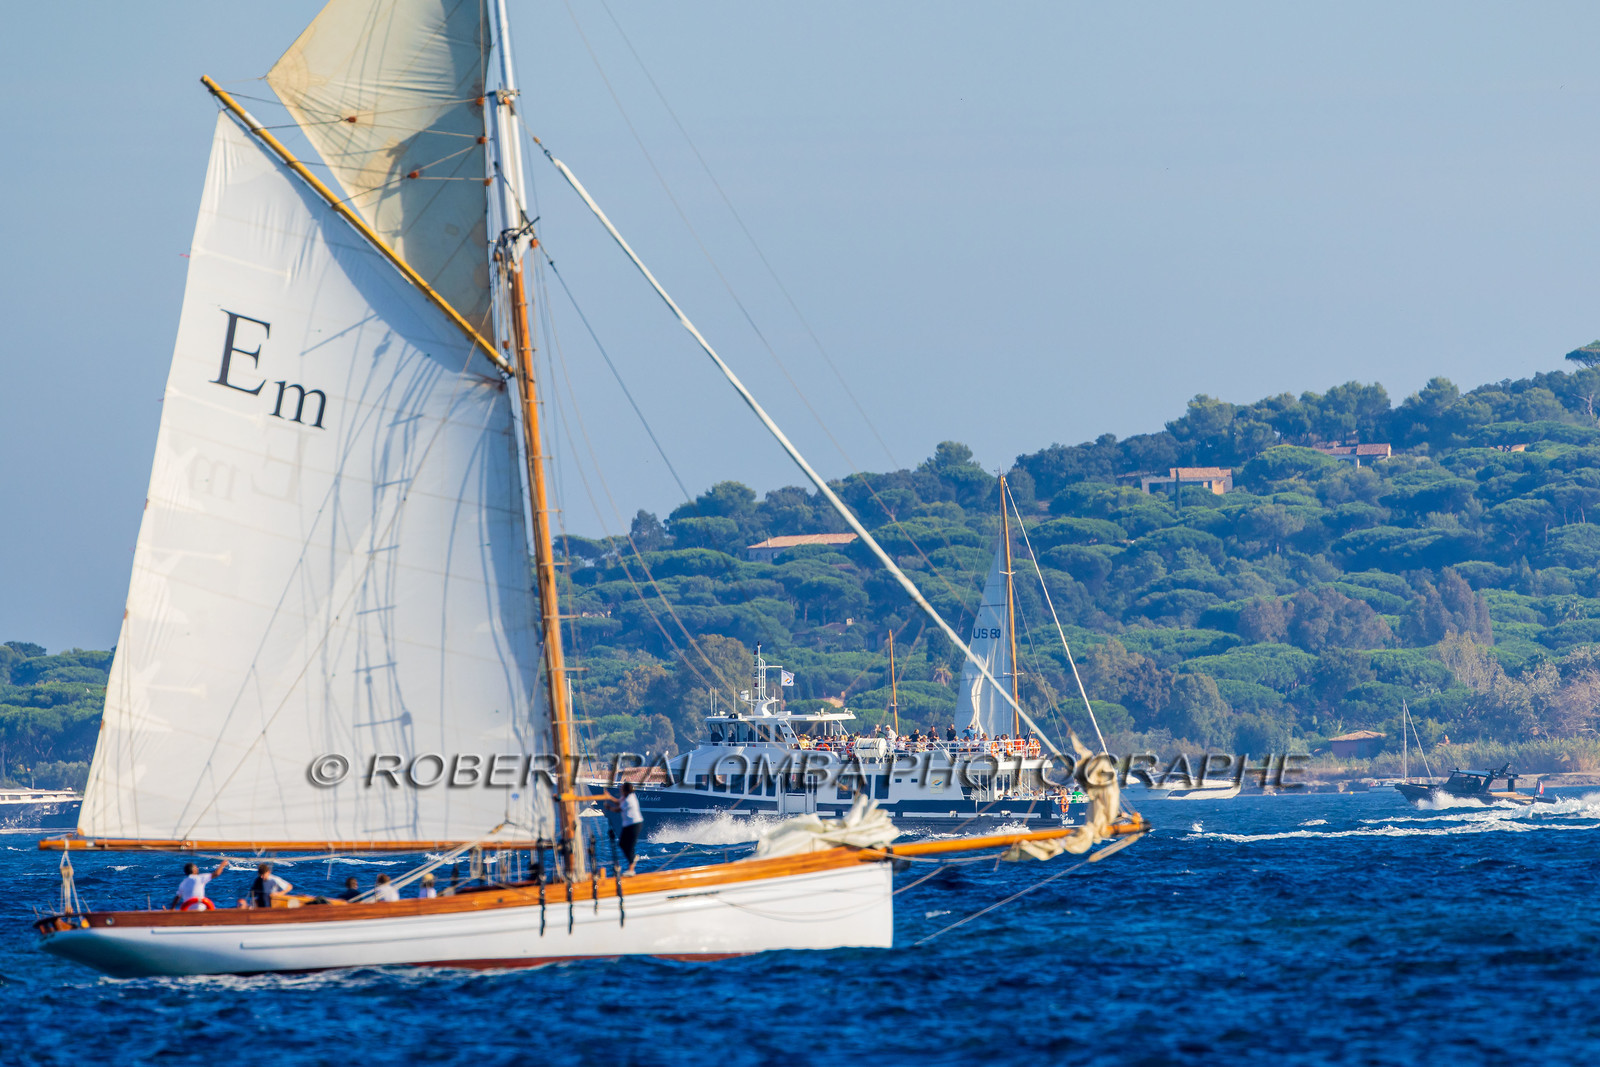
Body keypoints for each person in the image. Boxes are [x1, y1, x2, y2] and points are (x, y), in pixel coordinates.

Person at [604, 781, 644, 876]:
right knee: (622, 844)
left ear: (626, 791)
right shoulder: (627, 796)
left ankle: (631, 870)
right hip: (628, 825)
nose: (620, 790)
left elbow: (618, 809)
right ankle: (633, 858)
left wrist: (609, 807)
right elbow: (618, 802)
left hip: (634, 825)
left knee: (629, 846)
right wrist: (609, 797)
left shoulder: (629, 800)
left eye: (622, 789)